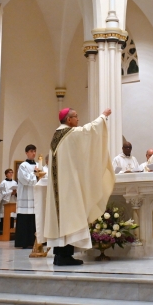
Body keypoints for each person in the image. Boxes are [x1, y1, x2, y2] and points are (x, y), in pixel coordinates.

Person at [43, 107, 115, 266]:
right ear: (68, 120)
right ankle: (64, 257)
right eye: (75, 116)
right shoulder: (69, 133)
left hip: (62, 186)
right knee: (69, 217)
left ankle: (60, 255)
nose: (78, 119)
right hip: (67, 187)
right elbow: (89, 131)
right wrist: (103, 117)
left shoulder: (57, 134)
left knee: (63, 219)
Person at [14, 144, 40, 249]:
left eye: (34, 151)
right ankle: (23, 242)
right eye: (31, 151)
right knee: (24, 219)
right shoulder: (23, 166)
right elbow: (25, 180)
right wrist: (35, 175)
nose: (33, 153)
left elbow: (42, 177)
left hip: (35, 196)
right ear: (26, 152)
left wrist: (39, 175)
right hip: (25, 196)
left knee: (33, 219)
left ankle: (32, 242)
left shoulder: (38, 165)